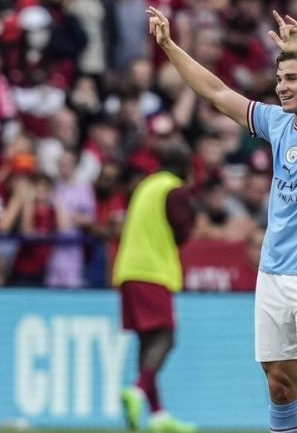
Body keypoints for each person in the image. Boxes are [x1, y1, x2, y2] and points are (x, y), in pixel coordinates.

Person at [146, 7, 297, 433]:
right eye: (279, 79)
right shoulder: (276, 124)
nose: (281, 87)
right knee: (280, 385)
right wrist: (171, 47)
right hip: (273, 274)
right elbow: (215, 92)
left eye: (292, 78)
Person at [115, 143, 197, 433]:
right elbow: (181, 231)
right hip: (152, 272)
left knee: (146, 341)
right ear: (186, 170)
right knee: (166, 336)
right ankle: (137, 391)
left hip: (128, 270)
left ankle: (158, 415)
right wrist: (192, 214)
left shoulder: (147, 185)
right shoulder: (174, 189)